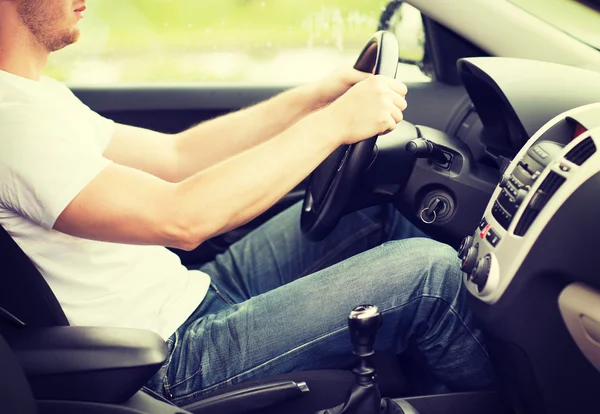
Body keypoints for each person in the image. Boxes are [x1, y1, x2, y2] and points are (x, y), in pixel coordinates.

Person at [0, 0, 494, 406]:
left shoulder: (35, 97)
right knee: (432, 275)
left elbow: (177, 157)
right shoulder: (9, 126)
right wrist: (332, 125)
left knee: (378, 211)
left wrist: (313, 100)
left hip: (190, 293)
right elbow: (180, 218)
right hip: (164, 359)